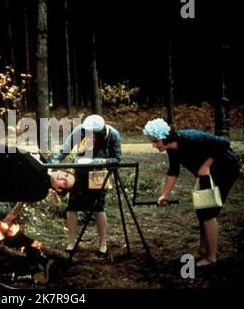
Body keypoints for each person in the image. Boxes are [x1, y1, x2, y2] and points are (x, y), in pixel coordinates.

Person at [143, 118, 239, 267]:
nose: (154, 145)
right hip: (207, 174)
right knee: (202, 209)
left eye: (155, 141)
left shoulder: (191, 137)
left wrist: (206, 165)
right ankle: (202, 250)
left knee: (209, 212)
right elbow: (173, 171)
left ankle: (211, 256)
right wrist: (165, 195)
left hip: (225, 169)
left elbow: (224, 142)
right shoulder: (172, 150)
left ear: (164, 137)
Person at [51, 114, 122, 258]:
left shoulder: (113, 135)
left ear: (101, 133)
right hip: (81, 173)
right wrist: (53, 164)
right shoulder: (79, 130)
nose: (91, 138)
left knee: (98, 208)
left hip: (99, 175)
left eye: (94, 136)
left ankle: (103, 244)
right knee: (72, 207)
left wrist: (100, 161)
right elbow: (64, 150)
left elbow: (117, 158)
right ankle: (72, 242)